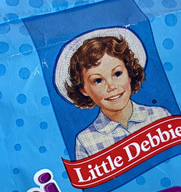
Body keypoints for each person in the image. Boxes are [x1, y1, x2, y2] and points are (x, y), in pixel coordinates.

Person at [54, 27, 171, 160]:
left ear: (129, 72)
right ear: (83, 90)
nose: (111, 87)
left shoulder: (160, 115)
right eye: (98, 80)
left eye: (117, 74)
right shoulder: (85, 141)